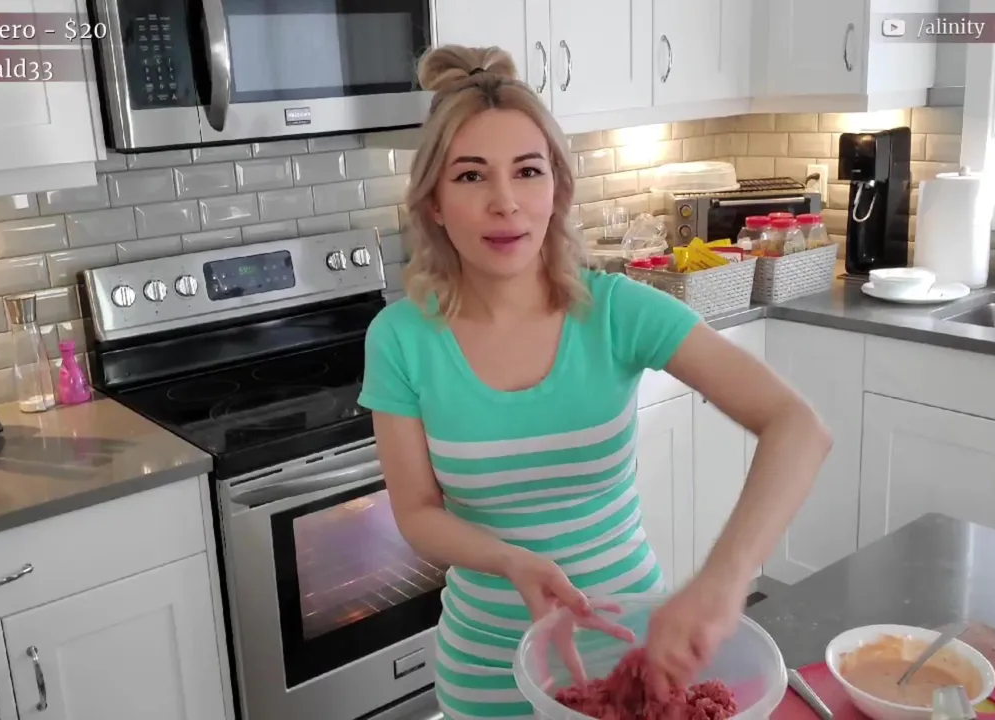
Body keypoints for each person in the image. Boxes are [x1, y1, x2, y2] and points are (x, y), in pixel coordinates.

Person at [357, 44, 833, 720]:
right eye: (470, 176)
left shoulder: (616, 311)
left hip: (629, 647)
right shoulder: (401, 338)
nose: (504, 203)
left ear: (557, 188)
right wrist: (510, 560)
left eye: (528, 171)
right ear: (433, 201)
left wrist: (722, 584)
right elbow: (417, 512)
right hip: (486, 667)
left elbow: (798, 426)